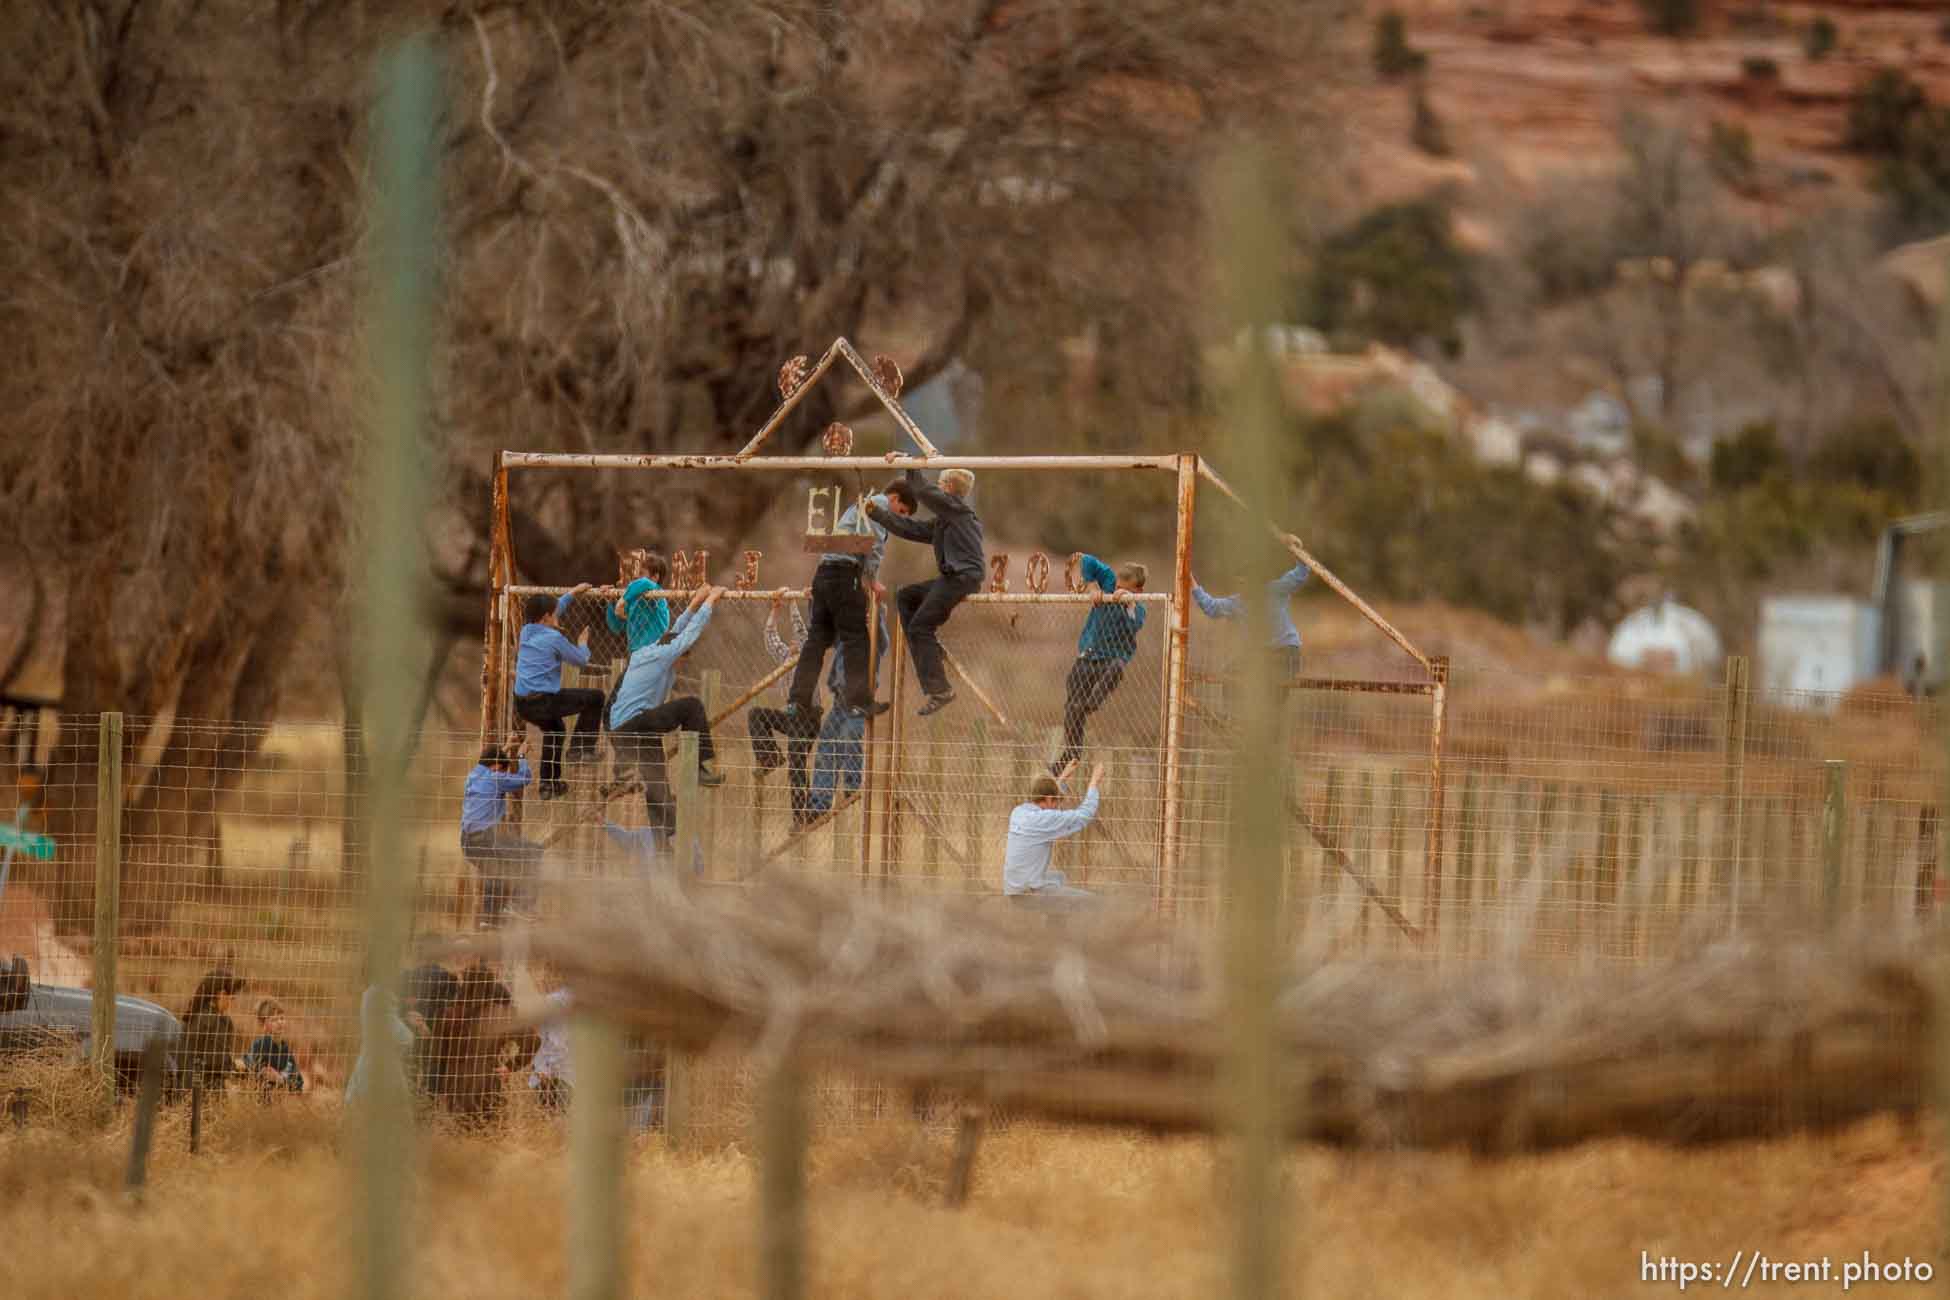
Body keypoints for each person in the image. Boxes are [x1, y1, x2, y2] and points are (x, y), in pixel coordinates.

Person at [787, 479, 917, 718]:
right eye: (902, 512)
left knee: (816, 642)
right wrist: (873, 580)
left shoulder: (858, 505)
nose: (900, 518)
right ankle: (858, 702)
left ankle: (798, 700)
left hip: (823, 574)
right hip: (845, 576)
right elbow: (874, 546)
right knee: (857, 639)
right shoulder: (877, 507)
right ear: (895, 498)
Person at [610, 584, 728, 836]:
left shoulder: (657, 649)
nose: (682, 666)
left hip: (628, 729)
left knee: (657, 782)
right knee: (692, 706)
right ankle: (700, 768)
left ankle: (664, 839)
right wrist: (711, 602)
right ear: (677, 655)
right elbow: (687, 635)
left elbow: (675, 631)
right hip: (633, 724)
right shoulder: (662, 654)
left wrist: (695, 602)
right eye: (683, 660)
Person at [870, 464, 985, 716]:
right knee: (905, 596)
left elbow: (922, 490)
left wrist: (909, 464)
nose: (939, 489)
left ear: (950, 489)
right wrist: (877, 514)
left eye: (942, 485)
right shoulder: (947, 520)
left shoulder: (957, 510)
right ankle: (930, 650)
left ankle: (940, 690)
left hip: (961, 577)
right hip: (954, 577)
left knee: (920, 627)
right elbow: (910, 529)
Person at [1052, 554, 1148, 774]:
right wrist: (1093, 587)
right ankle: (1070, 756)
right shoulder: (1108, 582)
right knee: (1073, 706)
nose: (1118, 592)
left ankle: (1093, 702)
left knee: (1117, 668)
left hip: (1110, 661)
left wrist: (1129, 603)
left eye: (1125, 590)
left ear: (1138, 591)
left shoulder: (1139, 609)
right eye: (1117, 587)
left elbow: (1135, 625)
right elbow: (1086, 560)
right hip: (1089, 655)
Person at [512, 585, 602, 799]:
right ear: (546, 618)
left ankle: (548, 785)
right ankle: (581, 749)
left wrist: (572, 594)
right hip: (544, 702)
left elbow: (556, 608)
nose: (558, 618)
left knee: (556, 730)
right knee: (595, 698)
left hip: (523, 704)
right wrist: (582, 644)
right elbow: (581, 661)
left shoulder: (526, 632)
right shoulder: (554, 639)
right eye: (555, 616)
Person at [459, 735, 545, 927]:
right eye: (504, 769)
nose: (505, 773)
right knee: (534, 851)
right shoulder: (495, 778)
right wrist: (521, 756)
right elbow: (524, 779)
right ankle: (520, 904)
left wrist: (505, 748)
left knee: (494, 868)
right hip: (485, 839)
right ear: (496, 767)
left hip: (467, 843)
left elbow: (489, 763)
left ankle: (489, 920)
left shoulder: (473, 775)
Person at [1191, 545, 1312, 679]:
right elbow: (1211, 607)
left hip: (1285, 654)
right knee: (1232, 671)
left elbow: (1301, 573)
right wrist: (1191, 582)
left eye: (1244, 581)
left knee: (1241, 673)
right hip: (1265, 657)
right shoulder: (1238, 602)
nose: (1241, 586)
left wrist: (1298, 549)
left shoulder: (1276, 590)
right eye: (1240, 582)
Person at [1003, 765, 1104, 908]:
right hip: (1030, 894)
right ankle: (1058, 920)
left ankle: (1054, 927)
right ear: (1049, 799)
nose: (1058, 805)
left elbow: (1047, 797)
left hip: (1015, 889)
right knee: (1094, 902)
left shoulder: (1019, 812)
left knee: (1058, 877)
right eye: (1057, 801)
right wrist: (1094, 782)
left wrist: (1062, 778)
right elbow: (1084, 815)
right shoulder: (1043, 819)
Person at [345, 973, 423, 1107]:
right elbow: (404, 1038)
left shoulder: (370, 994)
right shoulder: (382, 996)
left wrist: (402, 1019)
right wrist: (410, 1024)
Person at [181, 968, 248, 1093]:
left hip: (186, 1087)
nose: (232, 1003)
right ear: (221, 994)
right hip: (209, 1091)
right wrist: (237, 1066)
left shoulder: (192, 1016)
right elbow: (218, 1061)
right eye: (232, 998)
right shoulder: (220, 1022)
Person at [605, 548, 672, 656]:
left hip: (654, 653)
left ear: (655, 577)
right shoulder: (635, 600)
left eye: (640, 573)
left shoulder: (658, 594)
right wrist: (613, 601)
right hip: (635, 653)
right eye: (635, 572)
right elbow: (616, 627)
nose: (635, 576)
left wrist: (622, 601)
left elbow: (645, 583)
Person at [527, 983, 574, 1111]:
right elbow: (543, 1038)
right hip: (551, 1072)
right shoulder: (552, 1002)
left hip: (566, 1072)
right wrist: (542, 1068)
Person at [243, 997, 305, 1093]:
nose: (280, 1022)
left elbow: (298, 1082)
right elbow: (251, 1067)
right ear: (263, 1024)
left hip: (281, 1101)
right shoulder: (259, 1045)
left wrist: (280, 1079)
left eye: (282, 1018)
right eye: (274, 1020)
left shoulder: (285, 1049)